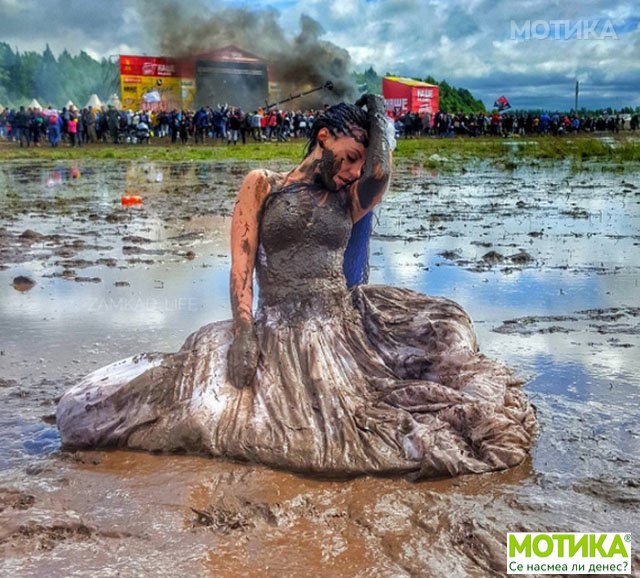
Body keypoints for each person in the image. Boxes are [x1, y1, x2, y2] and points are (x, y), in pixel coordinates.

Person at [56, 96, 537, 479]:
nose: (354, 170)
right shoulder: (263, 185)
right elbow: (241, 265)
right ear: (323, 137)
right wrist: (244, 331)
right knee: (167, 408)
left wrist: (376, 110)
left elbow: (380, 173)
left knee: (440, 338)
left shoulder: (350, 198)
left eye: (360, 163)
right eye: (350, 157)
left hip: (340, 325)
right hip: (279, 326)